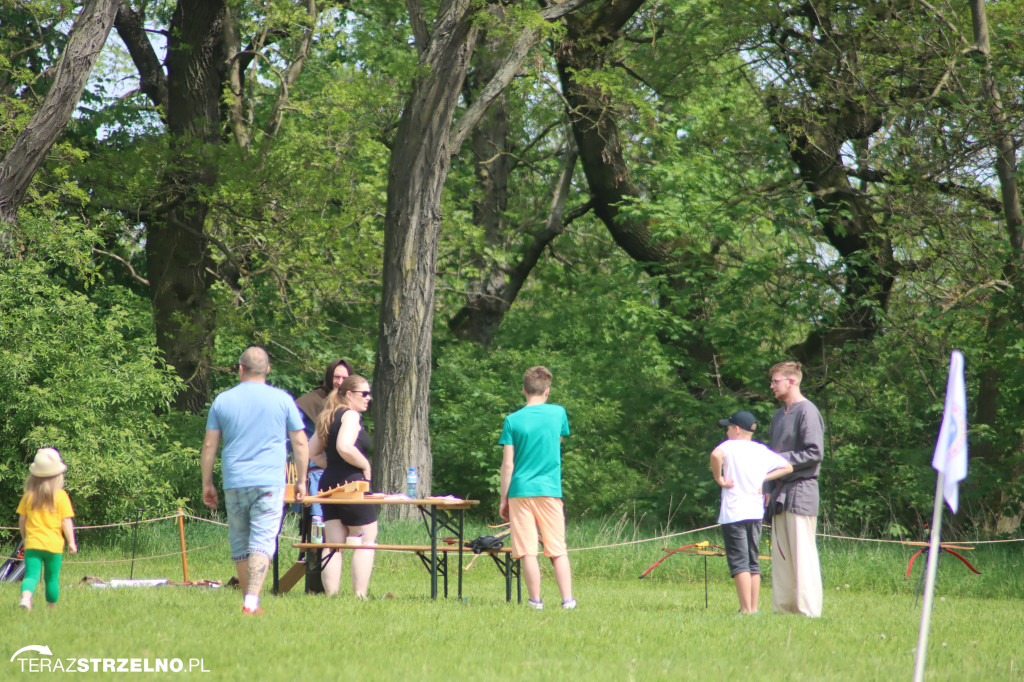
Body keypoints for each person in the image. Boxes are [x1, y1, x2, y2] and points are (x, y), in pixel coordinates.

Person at [201, 346, 309, 615]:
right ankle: (251, 602)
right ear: (268, 370)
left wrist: (207, 483)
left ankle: (249, 602)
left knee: (240, 539)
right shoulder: (283, 400)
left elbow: (209, 446)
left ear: (240, 369)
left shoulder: (223, 400)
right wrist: (301, 480)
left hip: (234, 481)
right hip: (269, 482)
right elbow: (300, 441)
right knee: (262, 539)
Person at [498, 366, 575, 610]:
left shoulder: (512, 420)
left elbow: (508, 464)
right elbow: (558, 441)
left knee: (528, 551)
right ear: (547, 391)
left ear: (524, 390)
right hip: (550, 489)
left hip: (520, 491)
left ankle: (535, 601)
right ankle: (568, 601)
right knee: (557, 549)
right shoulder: (558, 413)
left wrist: (503, 499)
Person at [710, 411, 792, 614]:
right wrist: (764, 478)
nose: (727, 431)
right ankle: (754, 608)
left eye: (728, 428)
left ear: (737, 429)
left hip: (734, 512)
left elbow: (714, 456)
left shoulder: (729, 445)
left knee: (739, 562)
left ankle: (746, 610)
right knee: (753, 560)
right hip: (755, 512)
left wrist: (719, 479)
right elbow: (787, 467)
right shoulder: (760, 450)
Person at [307, 374, 377, 597]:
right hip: (351, 485)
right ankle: (359, 595)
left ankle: (332, 596)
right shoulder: (350, 416)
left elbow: (311, 452)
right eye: (363, 394)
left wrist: (332, 465)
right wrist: (365, 465)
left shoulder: (328, 415)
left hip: (329, 483)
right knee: (366, 539)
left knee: (334, 543)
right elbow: (344, 446)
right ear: (349, 395)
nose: (368, 398)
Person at [765, 361, 825, 617]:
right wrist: (767, 486)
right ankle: (784, 609)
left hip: (801, 490)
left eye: (775, 381)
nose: (771, 386)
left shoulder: (807, 411)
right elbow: (769, 457)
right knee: (781, 557)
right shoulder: (779, 415)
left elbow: (814, 452)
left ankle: (808, 611)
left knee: (802, 555)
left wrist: (782, 461)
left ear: (792, 381)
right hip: (778, 494)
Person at [16, 448, 77, 610]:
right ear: (58, 476)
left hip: (32, 544)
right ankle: (52, 607)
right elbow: (66, 521)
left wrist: (25, 536)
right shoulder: (61, 496)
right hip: (54, 546)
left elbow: (23, 519)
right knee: (51, 579)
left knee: (31, 576)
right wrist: (71, 542)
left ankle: (26, 598)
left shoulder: (29, 495)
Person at [294, 359, 352, 528]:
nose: (340, 382)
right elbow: (291, 432)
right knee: (317, 524)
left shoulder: (350, 403)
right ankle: (311, 552)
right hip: (316, 470)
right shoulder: (310, 401)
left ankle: (331, 552)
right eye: (336, 377)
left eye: (344, 378)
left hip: (342, 471)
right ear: (328, 377)